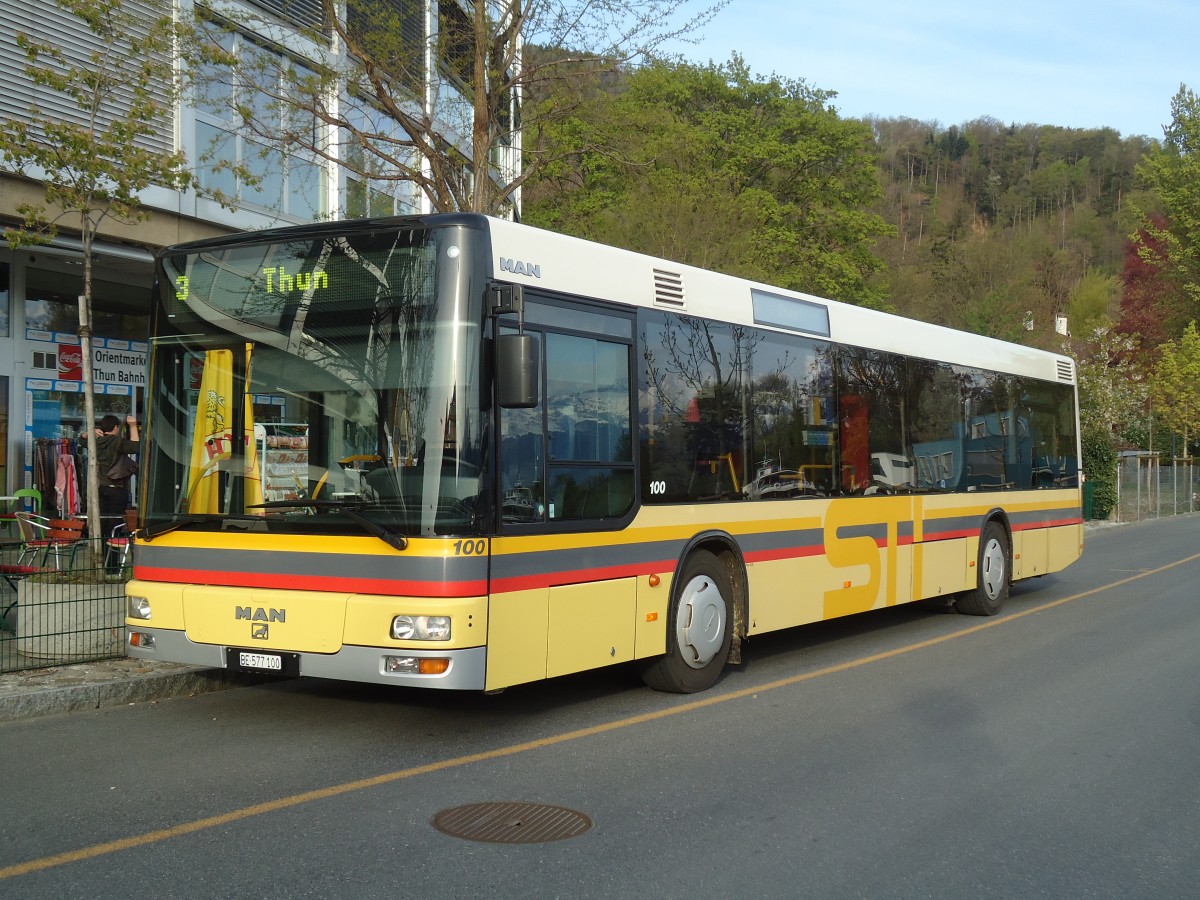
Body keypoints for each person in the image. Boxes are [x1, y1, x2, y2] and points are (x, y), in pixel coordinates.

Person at [89, 414, 140, 544]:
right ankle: (112, 557)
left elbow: (82, 440)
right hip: (117, 489)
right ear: (116, 427)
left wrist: (89, 432)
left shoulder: (95, 441)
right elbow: (135, 447)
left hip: (100, 488)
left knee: (102, 522)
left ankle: (101, 552)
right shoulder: (117, 442)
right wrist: (133, 426)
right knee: (115, 524)